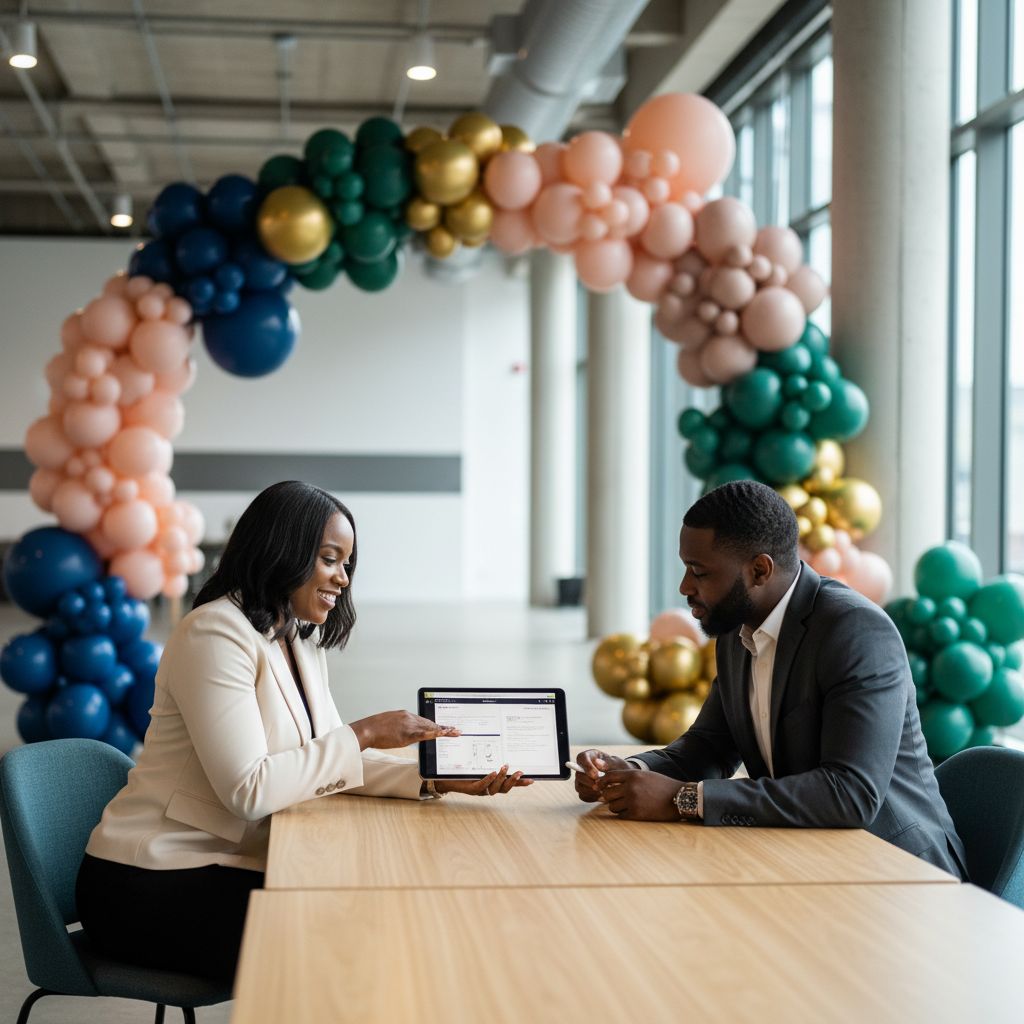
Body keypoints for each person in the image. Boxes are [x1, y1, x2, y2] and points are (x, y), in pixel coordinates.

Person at [76, 481, 531, 984]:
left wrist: (433, 780)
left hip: (230, 863)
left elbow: (322, 764)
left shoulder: (298, 640)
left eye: (348, 565)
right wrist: (363, 733)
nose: (343, 578)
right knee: (352, 943)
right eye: (330, 559)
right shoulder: (213, 634)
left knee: (384, 916)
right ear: (282, 551)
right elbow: (249, 791)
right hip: (153, 879)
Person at [574, 480, 966, 879]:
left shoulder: (855, 631)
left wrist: (684, 799)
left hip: (899, 872)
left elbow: (851, 794)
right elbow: (709, 746)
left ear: (759, 570)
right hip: (805, 855)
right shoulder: (735, 629)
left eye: (699, 572)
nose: (685, 587)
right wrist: (627, 772)